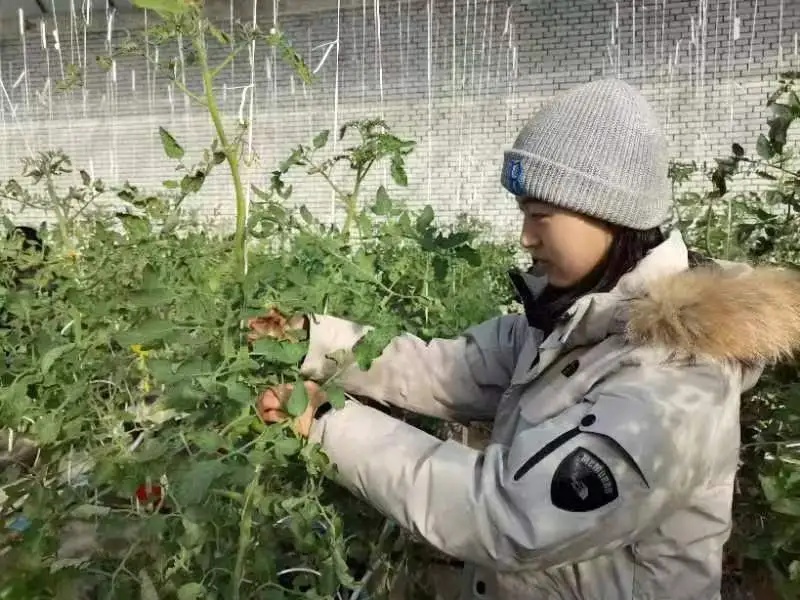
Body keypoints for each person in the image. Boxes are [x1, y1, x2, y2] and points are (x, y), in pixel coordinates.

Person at [248, 79, 800, 599]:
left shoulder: (675, 386)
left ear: (608, 215)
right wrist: (310, 341)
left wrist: (326, 420)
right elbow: (444, 370)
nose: (524, 237)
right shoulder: (578, 322)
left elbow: (510, 516)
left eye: (540, 215)